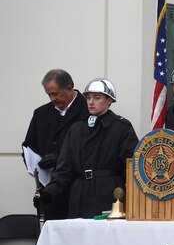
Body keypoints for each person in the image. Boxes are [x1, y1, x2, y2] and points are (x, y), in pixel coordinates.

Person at [35, 78, 139, 218]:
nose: (91, 102)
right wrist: (49, 192)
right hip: (80, 194)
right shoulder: (76, 128)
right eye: (88, 97)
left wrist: (136, 199)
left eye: (97, 98)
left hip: (109, 193)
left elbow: (131, 168)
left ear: (109, 100)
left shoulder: (121, 128)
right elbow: (65, 168)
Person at [22, 69, 89, 220]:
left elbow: (94, 151)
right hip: (50, 191)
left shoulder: (89, 110)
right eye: (48, 94)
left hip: (78, 192)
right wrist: (32, 162)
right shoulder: (40, 113)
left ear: (70, 88)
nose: (52, 98)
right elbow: (29, 145)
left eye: (55, 93)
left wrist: (60, 158)